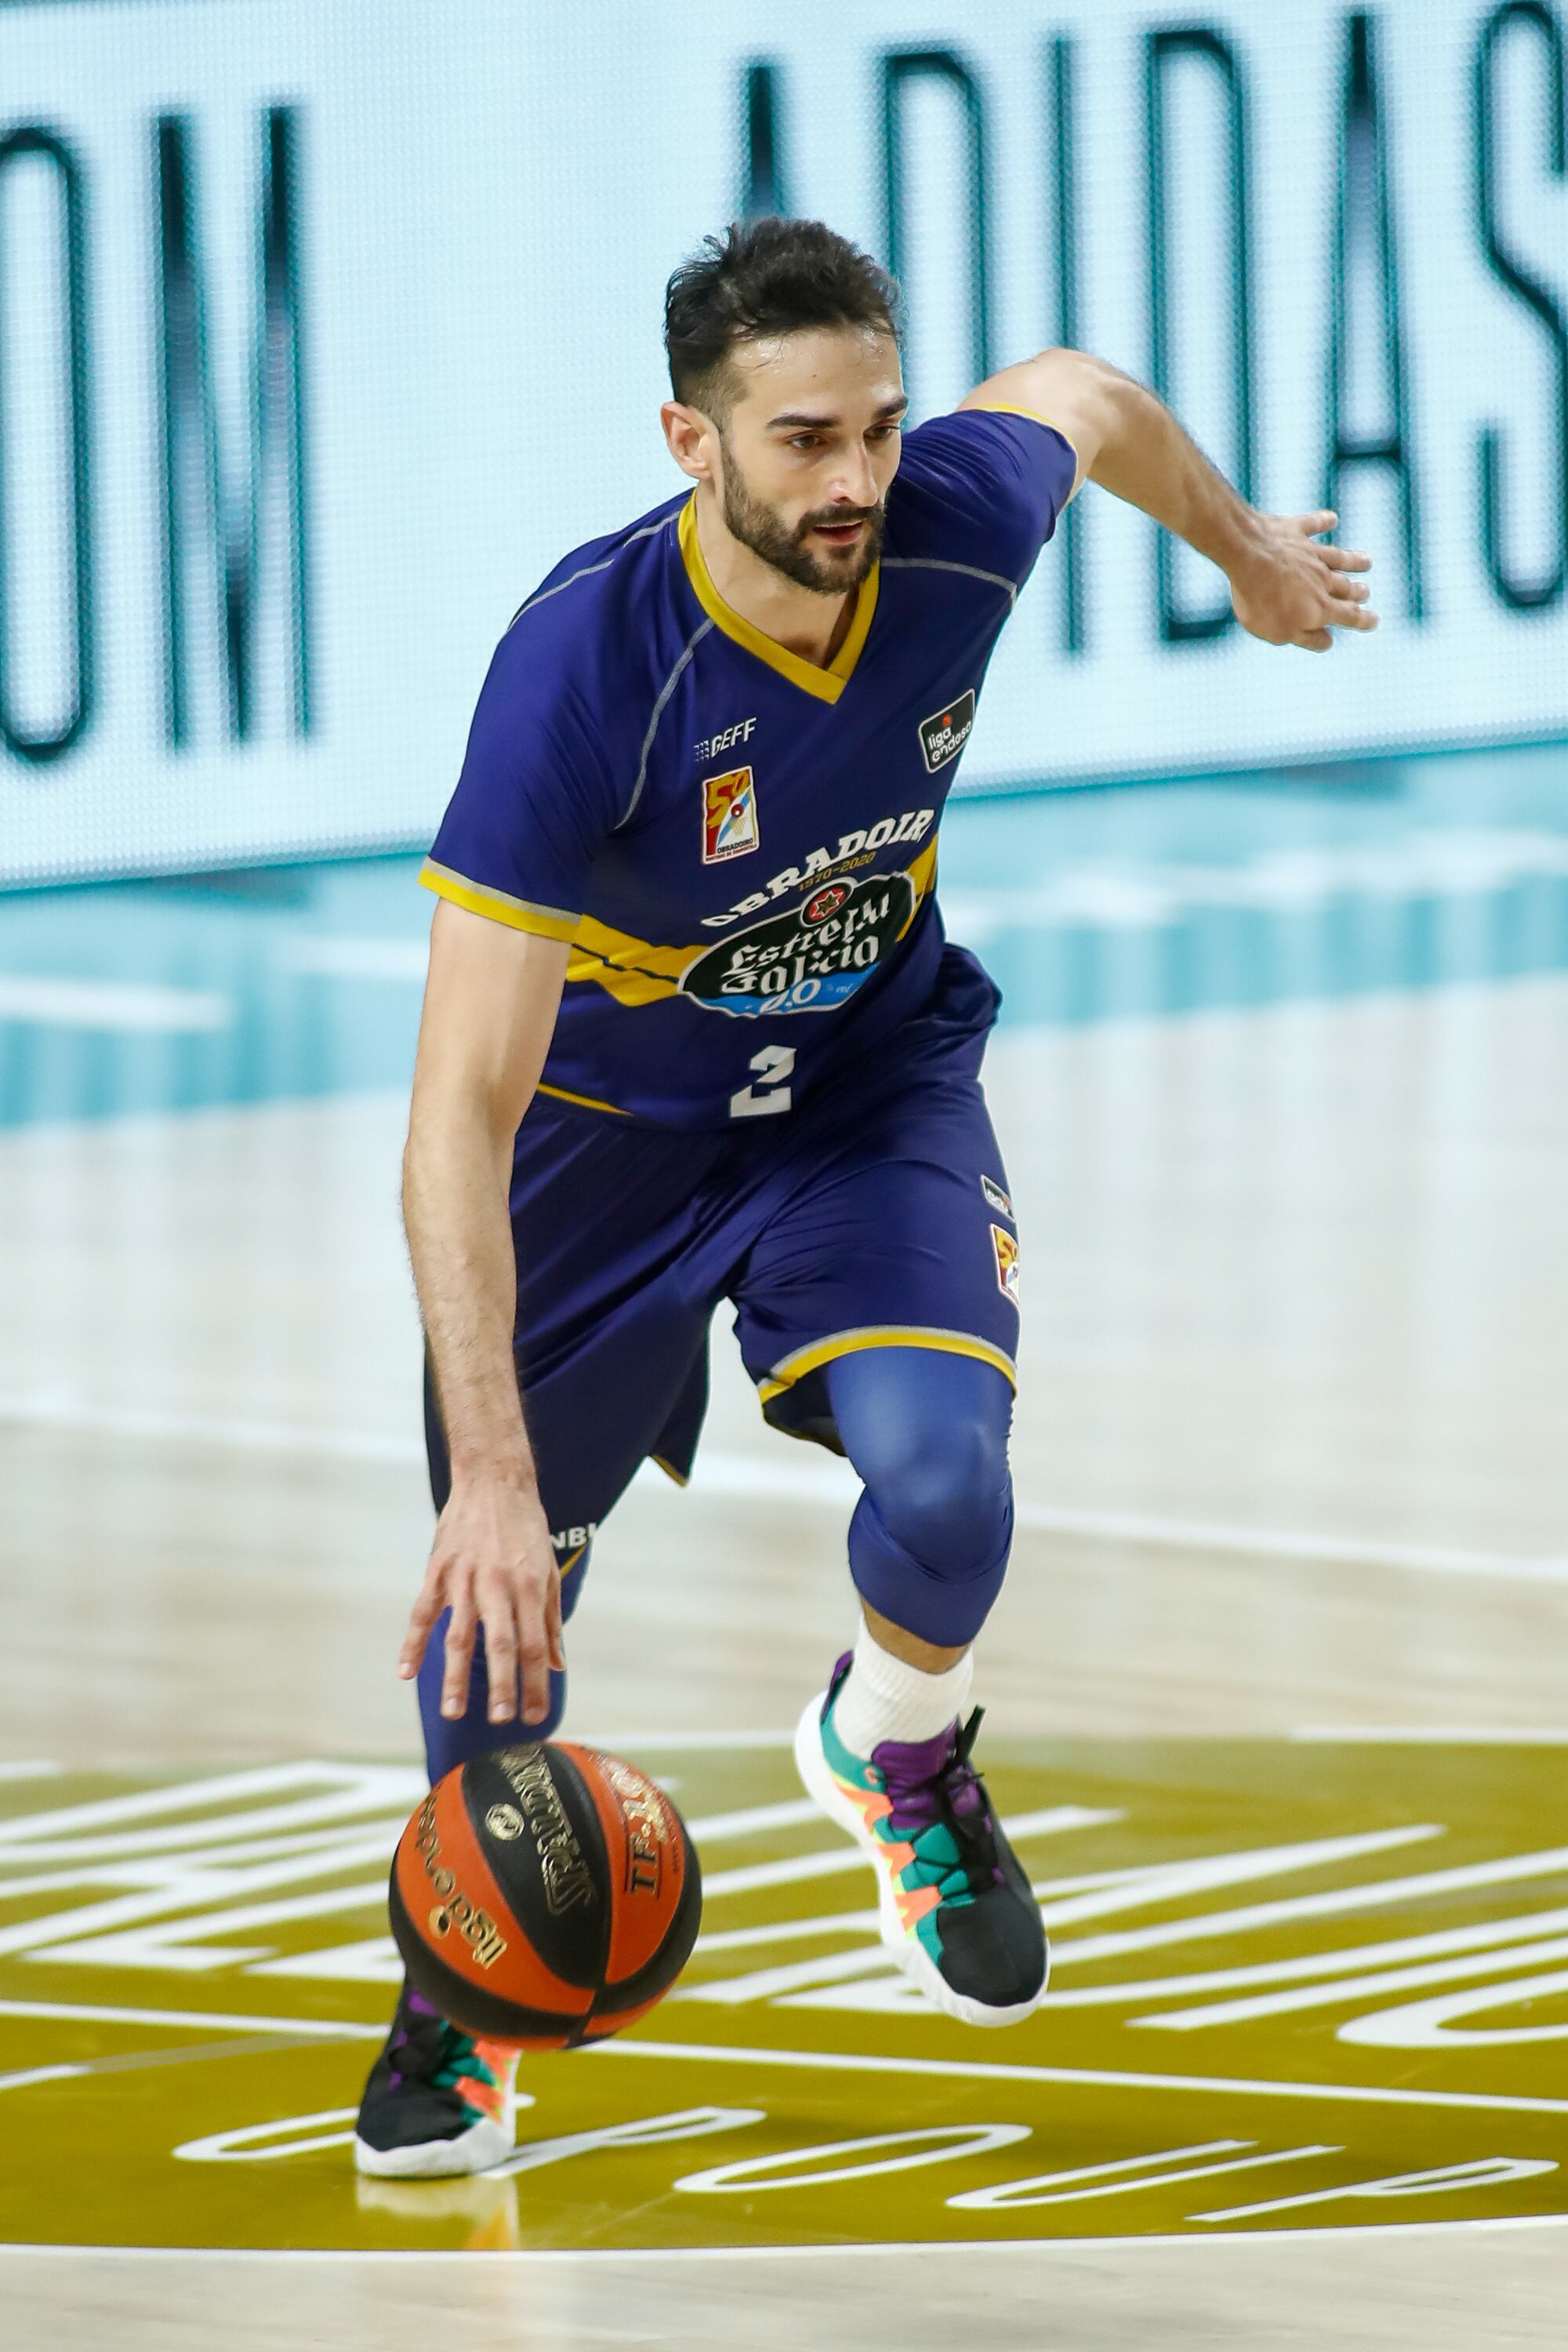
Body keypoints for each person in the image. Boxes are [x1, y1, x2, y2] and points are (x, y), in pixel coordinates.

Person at [353, 216, 1377, 2176]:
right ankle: (463, 1999)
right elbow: (451, 1113)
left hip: (862, 1083)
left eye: (880, 430)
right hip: (599, 1141)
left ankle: (897, 1754)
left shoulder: (955, 526)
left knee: (946, 1487)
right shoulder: (586, 670)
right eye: (802, 438)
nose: (852, 482)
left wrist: (1244, 548)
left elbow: (1077, 398)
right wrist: (486, 1465)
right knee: (498, 1608)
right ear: (690, 439)